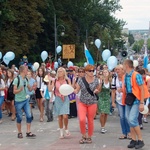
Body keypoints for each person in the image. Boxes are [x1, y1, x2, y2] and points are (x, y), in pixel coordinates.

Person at [74, 64, 100, 144]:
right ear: (86, 72)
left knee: (90, 120)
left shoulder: (96, 80)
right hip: (82, 102)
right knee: (81, 119)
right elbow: (77, 90)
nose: (92, 72)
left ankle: (89, 136)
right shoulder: (81, 80)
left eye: (93, 71)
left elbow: (98, 89)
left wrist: (97, 90)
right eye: (90, 71)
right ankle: (83, 135)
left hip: (92, 103)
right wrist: (71, 90)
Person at [122, 60, 145, 149]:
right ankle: (133, 139)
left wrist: (142, 103)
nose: (122, 67)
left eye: (123, 65)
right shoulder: (125, 76)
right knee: (129, 119)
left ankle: (140, 140)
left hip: (136, 100)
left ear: (127, 65)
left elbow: (142, 89)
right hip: (129, 100)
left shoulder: (136, 75)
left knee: (132, 119)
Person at [13, 65, 36, 138]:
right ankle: (19, 132)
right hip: (19, 100)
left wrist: (33, 87)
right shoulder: (17, 79)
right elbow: (14, 91)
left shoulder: (26, 79)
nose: (27, 71)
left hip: (26, 100)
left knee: (29, 116)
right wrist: (20, 90)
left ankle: (28, 131)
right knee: (19, 117)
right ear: (23, 71)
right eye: (26, 70)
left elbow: (29, 89)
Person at [49, 67, 71, 138]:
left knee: (65, 115)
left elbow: (70, 89)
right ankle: (61, 132)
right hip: (58, 98)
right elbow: (50, 89)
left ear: (64, 72)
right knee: (60, 116)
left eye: (61, 71)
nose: (59, 73)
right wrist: (50, 82)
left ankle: (66, 127)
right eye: (58, 71)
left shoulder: (67, 80)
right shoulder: (55, 80)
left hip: (65, 98)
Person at [111, 65, 131, 139]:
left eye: (118, 69)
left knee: (126, 117)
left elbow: (131, 89)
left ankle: (129, 132)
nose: (117, 71)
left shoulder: (127, 78)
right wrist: (113, 102)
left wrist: (123, 90)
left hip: (127, 100)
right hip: (119, 100)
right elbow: (113, 91)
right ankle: (124, 133)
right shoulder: (114, 78)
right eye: (116, 69)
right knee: (122, 117)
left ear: (123, 70)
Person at [98, 69, 111, 134]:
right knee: (102, 113)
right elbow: (99, 90)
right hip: (101, 98)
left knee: (106, 114)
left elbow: (112, 90)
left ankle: (104, 126)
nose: (105, 73)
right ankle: (102, 127)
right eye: (104, 72)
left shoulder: (110, 81)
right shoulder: (101, 81)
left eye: (106, 72)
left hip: (107, 98)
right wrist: (100, 82)